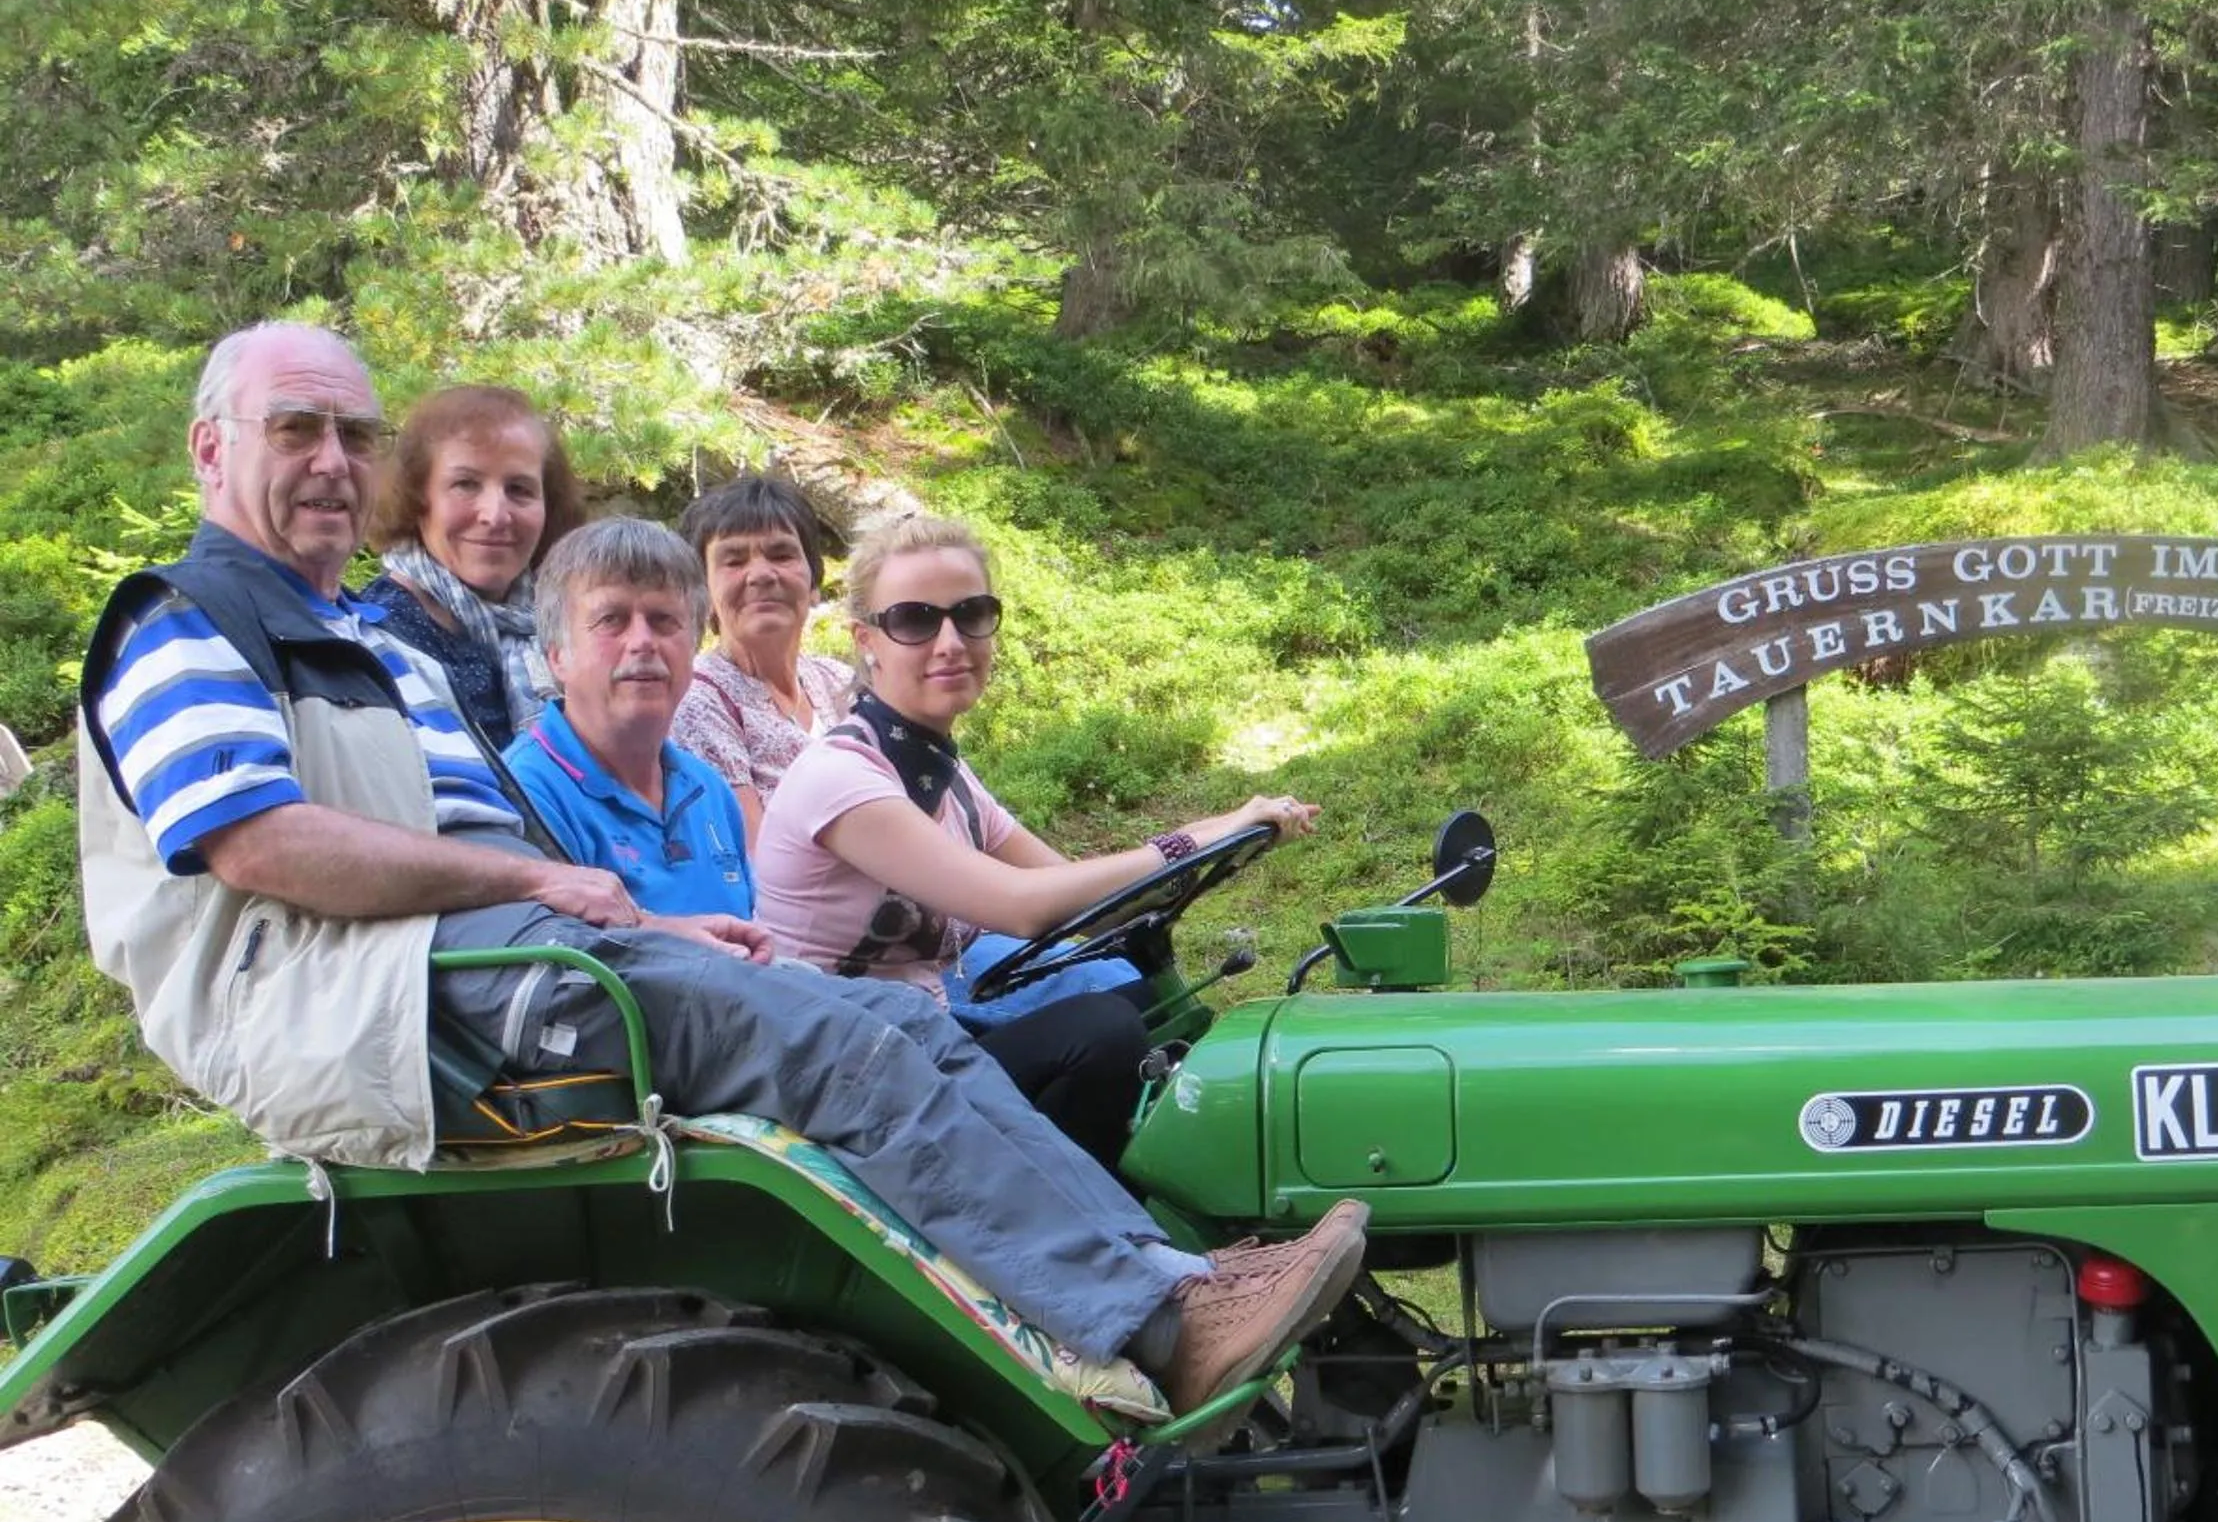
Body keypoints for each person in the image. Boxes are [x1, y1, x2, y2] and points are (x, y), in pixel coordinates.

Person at [74, 322, 1365, 1416]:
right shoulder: (188, 621)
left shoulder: (367, 644)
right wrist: (541, 893)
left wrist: (644, 930)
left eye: (355, 437)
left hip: (475, 972)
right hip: (373, 1016)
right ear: (211, 450)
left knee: (892, 1024)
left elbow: (489, 861)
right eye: (295, 431)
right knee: (844, 1051)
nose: (332, 464)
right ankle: (1153, 1325)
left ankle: (1170, 1287)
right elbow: (260, 844)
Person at [755, 513, 1319, 1168]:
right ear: (867, 641)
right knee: (1098, 1035)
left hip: (913, 1043)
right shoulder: (842, 778)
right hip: (842, 1078)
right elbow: (1023, 904)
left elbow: (1080, 894)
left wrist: (1227, 827)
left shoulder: (945, 777)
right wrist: (1184, 844)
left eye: (971, 614)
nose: (950, 641)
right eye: (915, 620)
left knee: (1133, 996)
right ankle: (1085, 1239)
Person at [502, 519, 753, 921]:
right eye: (611, 620)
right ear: (556, 656)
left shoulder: (710, 791)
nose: (642, 642)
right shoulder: (526, 794)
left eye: (663, 619)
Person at [357, 384, 584, 748]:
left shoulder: (565, 627)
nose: (495, 515)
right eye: (466, 484)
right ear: (417, 499)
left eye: (519, 489)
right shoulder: (378, 639)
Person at [670, 474, 850, 849]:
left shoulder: (839, 682)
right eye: (733, 560)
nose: (762, 575)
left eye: (782, 555)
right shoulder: (699, 702)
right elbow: (755, 858)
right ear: (702, 594)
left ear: (814, 581)